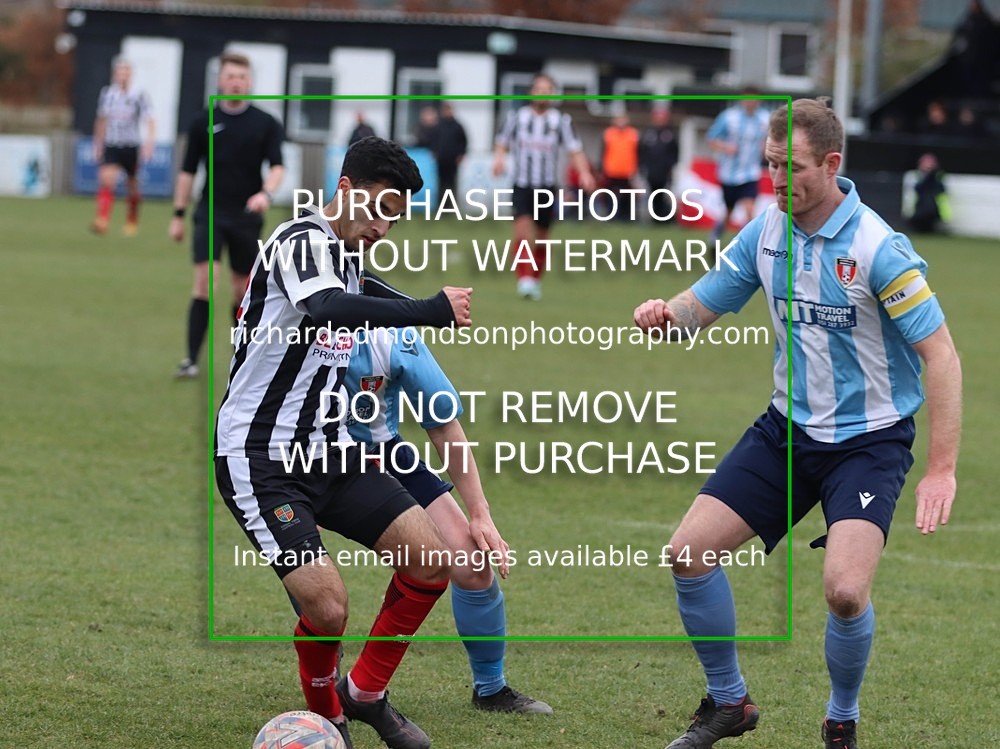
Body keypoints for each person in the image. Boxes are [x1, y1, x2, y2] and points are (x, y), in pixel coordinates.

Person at [633, 98, 962, 749]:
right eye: (770, 165)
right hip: (786, 432)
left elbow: (942, 354)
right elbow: (703, 304)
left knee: (844, 590)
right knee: (688, 553)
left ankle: (841, 714)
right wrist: (665, 313)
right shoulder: (764, 231)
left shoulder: (877, 249)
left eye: (793, 167)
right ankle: (729, 703)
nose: (778, 180)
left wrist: (942, 469)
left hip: (869, 442)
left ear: (832, 164)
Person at [215, 136, 474, 749]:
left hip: (330, 450)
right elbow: (331, 306)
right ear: (346, 189)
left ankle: (366, 695)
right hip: (261, 456)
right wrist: (429, 311)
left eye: (397, 216)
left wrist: (419, 305)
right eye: (380, 208)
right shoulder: (302, 240)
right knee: (328, 606)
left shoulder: (345, 253)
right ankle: (327, 717)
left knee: (434, 559)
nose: (385, 226)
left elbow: (368, 289)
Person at [333, 324, 552, 715]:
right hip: (301, 463)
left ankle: (490, 689)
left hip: (382, 454)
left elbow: (442, 423)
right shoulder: (290, 324)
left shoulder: (391, 335)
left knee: (472, 562)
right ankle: (324, 677)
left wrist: (480, 514)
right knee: (314, 581)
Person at [169, 50, 285, 379]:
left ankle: (242, 357)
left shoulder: (266, 123)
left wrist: (266, 193)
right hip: (210, 211)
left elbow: (277, 167)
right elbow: (187, 172)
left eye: (242, 77)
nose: (236, 82)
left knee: (240, 290)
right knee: (205, 283)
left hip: (246, 216)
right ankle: (191, 360)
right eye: (231, 76)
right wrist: (178, 213)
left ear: (250, 83)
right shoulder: (201, 121)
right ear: (220, 81)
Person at [493, 72, 596, 300]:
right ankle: (524, 280)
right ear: (531, 93)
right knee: (522, 233)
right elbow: (502, 143)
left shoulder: (561, 121)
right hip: (522, 185)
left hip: (547, 187)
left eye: (547, 90)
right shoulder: (516, 118)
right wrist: (499, 159)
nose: (543, 94)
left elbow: (575, 150)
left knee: (541, 238)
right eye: (539, 89)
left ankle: (535, 280)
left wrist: (585, 173)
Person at [90, 57, 155, 236]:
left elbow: (150, 120)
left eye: (126, 72)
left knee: (132, 186)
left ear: (131, 75)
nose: (123, 76)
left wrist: (149, 144)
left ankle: (132, 221)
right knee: (107, 179)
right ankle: (102, 220)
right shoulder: (108, 94)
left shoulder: (139, 95)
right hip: (112, 144)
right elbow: (101, 120)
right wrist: (98, 143)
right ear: (115, 75)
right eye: (120, 72)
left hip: (131, 146)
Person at [705, 87, 769, 246]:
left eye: (754, 99)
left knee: (750, 213)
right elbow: (711, 139)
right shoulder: (729, 117)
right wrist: (726, 147)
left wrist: (766, 148)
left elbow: (771, 139)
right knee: (728, 212)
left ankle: (744, 247)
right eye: (748, 99)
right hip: (729, 174)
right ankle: (715, 238)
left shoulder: (765, 119)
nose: (751, 102)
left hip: (750, 173)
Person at [640, 106, 680, 222]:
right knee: (653, 195)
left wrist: (671, 167)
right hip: (651, 171)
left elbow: (675, 153)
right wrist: (642, 166)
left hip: (665, 171)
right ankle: (654, 218)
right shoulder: (648, 133)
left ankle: (664, 218)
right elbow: (642, 151)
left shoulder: (670, 134)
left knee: (664, 195)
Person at [600, 112, 640, 222]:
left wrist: (635, 169)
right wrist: (602, 168)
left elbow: (637, 152)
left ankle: (626, 217)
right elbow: (603, 152)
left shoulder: (633, 134)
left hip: (627, 171)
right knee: (611, 195)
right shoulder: (608, 133)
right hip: (611, 170)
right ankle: (611, 216)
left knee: (627, 196)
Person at [430, 102, 468, 210]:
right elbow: (433, 141)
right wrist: (434, 152)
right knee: (441, 184)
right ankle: (441, 207)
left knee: (452, 184)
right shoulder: (438, 126)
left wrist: (461, 155)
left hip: (453, 161)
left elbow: (463, 142)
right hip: (441, 160)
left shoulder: (457, 126)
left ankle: (451, 208)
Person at [908, 153, 952, 234]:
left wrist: (931, 174)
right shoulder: (916, 175)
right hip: (919, 209)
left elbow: (940, 190)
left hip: (934, 209)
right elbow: (918, 189)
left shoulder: (938, 176)